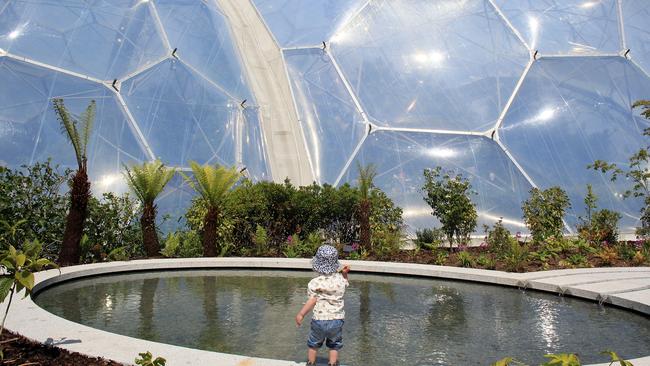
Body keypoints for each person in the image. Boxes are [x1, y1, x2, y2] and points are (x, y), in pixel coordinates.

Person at [295, 245, 350, 366]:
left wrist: (301, 314)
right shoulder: (340, 280)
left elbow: (312, 301)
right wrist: (345, 274)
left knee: (313, 344)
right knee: (334, 345)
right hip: (337, 320)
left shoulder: (314, 283)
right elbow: (345, 283)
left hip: (319, 320)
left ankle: (311, 363)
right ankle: (332, 363)